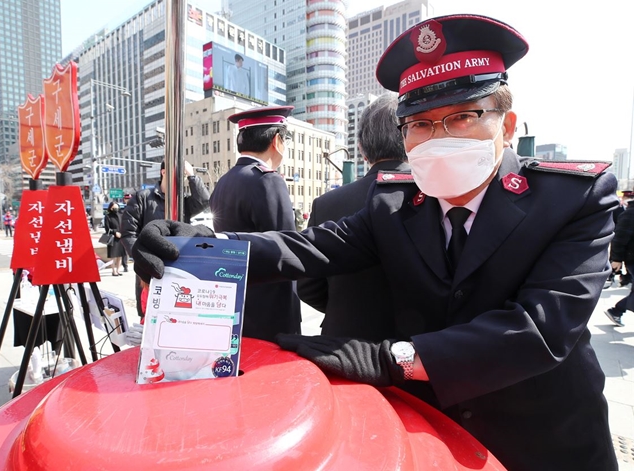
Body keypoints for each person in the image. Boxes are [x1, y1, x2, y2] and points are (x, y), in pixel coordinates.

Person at [132, 14, 618, 470]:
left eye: (463, 117)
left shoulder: (572, 199)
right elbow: (310, 248)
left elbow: (540, 329)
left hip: (544, 440)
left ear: (506, 126)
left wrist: (392, 359)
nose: (439, 138)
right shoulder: (395, 204)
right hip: (435, 436)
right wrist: (202, 245)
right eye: (422, 124)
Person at [297, 94, 409, 340]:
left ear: (361, 147)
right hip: (418, 352)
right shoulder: (437, 197)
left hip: (343, 345)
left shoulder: (326, 204)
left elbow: (308, 287)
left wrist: (345, 312)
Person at [209, 105, 301, 342]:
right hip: (270, 312)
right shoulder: (268, 180)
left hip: (234, 302)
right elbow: (287, 249)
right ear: (277, 140)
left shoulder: (224, 181)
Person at [121, 159, 210, 317]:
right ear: (164, 172)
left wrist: (192, 176)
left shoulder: (183, 201)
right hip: (149, 269)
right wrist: (143, 259)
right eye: (179, 173)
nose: (181, 178)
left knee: (180, 314)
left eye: (183, 175)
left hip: (179, 266)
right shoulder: (142, 198)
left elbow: (203, 201)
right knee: (150, 315)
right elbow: (128, 233)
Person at [605, 195, 634, 327]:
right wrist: (616, 259)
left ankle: (617, 311)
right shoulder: (630, 213)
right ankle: (617, 310)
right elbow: (619, 238)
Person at [104, 202, 125, 276]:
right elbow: (107, 228)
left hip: (120, 237)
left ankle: (118, 270)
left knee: (120, 255)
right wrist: (115, 232)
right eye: (114, 207)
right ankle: (113, 271)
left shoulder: (121, 215)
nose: (116, 209)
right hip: (112, 237)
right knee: (113, 255)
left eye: (117, 207)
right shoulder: (108, 216)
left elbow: (124, 225)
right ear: (111, 208)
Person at [120, 194, 133, 273]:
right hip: (124, 231)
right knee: (124, 251)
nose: (128, 200)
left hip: (133, 231)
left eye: (129, 199)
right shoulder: (122, 210)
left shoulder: (136, 207)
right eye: (126, 199)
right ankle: (125, 265)